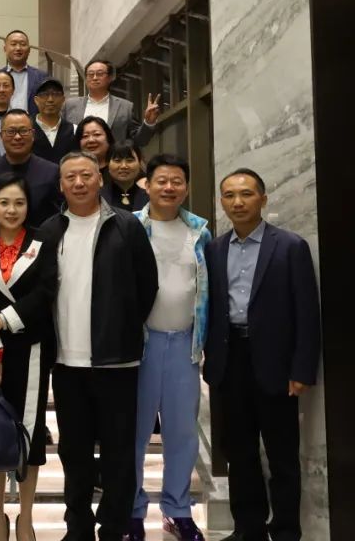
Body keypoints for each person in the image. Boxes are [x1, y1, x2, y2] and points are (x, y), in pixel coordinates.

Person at [39, 151, 158, 541]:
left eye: (86, 175)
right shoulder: (49, 231)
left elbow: (147, 285)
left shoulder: (126, 226)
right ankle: (78, 527)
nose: (79, 183)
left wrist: (123, 327)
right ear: (61, 185)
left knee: (118, 452)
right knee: (73, 453)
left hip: (116, 362)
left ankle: (114, 528)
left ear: (99, 179)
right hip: (66, 362)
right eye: (70, 177)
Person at [204, 169, 321, 541]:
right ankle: (248, 529)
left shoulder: (289, 246)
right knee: (239, 453)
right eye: (229, 195)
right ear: (222, 202)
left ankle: (285, 531)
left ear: (263, 199)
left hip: (276, 363)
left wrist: (302, 368)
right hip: (230, 361)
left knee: (282, 455)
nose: (237, 202)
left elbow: (307, 312)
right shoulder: (214, 249)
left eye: (246, 194)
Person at [0, 173, 58, 541]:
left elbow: (46, 291)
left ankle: (26, 517)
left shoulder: (42, 243)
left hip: (31, 349)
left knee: (28, 434)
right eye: (4, 202)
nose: (11, 210)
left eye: (19, 203)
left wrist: (3, 319)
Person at [129, 155, 212, 541]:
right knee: (134, 432)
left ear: (186, 187)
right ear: (146, 185)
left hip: (184, 345)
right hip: (140, 346)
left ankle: (177, 510)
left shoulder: (200, 231)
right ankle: (132, 510)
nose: (169, 187)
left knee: (182, 434)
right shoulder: (130, 227)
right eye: (161, 180)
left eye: (177, 181)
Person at [0, 110, 62, 229]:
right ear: (1, 136)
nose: (17, 137)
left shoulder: (52, 172)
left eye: (23, 131)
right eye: (11, 132)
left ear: (33, 135)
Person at [62, 60, 161, 145]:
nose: (95, 77)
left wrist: (149, 122)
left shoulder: (125, 107)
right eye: (90, 74)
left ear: (110, 78)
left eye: (100, 74)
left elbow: (140, 141)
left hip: (113, 159)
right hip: (79, 159)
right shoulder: (70, 105)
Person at [0, 30, 49, 115]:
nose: (18, 48)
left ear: (29, 50)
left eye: (23, 44)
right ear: (5, 49)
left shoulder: (42, 76)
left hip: (31, 123)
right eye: (13, 44)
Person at [31, 77, 76, 164]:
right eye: (45, 94)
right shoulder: (27, 130)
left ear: (63, 100)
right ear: (36, 100)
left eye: (56, 94)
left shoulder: (74, 130)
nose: (50, 99)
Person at [102, 142, 149, 211]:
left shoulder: (150, 198)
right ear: (107, 164)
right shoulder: (98, 197)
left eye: (129, 160)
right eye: (117, 161)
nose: (123, 166)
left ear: (139, 164)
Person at [74, 116, 115, 186]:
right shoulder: (72, 170)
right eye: (85, 136)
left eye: (97, 134)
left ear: (108, 138)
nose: (91, 140)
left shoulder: (119, 168)